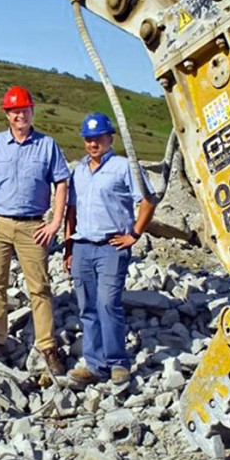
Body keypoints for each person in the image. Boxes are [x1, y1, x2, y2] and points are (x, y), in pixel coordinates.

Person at [0, 86, 69, 374]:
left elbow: (61, 183)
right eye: (14, 111)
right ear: (7, 114)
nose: (19, 115)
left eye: (24, 109)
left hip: (33, 226)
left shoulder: (47, 145)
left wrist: (55, 222)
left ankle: (47, 345)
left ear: (32, 110)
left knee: (39, 287)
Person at [64, 112, 156, 387]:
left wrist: (134, 234)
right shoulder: (78, 170)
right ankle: (95, 364)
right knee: (87, 307)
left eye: (98, 138)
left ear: (110, 138)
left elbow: (148, 201)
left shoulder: (123, 167)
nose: (93, 144)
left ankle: (118, 363)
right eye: (88, 139)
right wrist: (68, 247)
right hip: (82, 246)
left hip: (111, 247)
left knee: (107, 303)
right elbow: (71, 210)